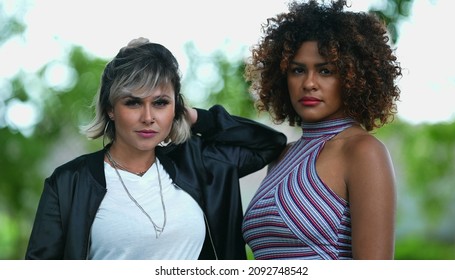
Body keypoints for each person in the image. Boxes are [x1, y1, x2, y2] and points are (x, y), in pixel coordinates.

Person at [25, 38, 287, 260]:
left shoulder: (200, 163)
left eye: (160, 103)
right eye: (133, 103)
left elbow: (268, 143)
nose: (148, 117)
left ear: (177, 107)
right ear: (110, 109)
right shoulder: (69, 182)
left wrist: (196, 117)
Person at [242, 0, 401, 259]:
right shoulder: (282, 155)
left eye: (326, 70)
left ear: (353, 77)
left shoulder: (363, 151)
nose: (309, 83)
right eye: (298, 70)